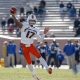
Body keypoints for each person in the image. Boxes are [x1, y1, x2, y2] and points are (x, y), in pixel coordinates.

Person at [10, 7, 52, 80]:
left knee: (29, 62)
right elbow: (40, 40)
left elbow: (16, 22)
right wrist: (44, 33)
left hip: (24, 46)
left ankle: (35, 76)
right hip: (30, 45)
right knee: (39, 57)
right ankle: (47, 68)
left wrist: (13, 15)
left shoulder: (24, 25)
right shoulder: (36, 29)